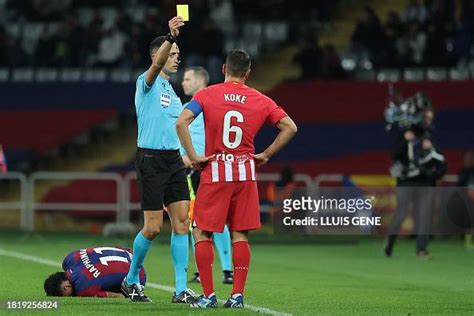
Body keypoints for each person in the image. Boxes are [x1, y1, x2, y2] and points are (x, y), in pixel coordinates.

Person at [176, 49, 298, 308]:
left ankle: (208, 296)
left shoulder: (207, 94)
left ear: (223, 69)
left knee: (202, 232)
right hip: (245, 173)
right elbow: (290, 127)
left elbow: (181, 123)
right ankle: (237, 296)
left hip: (216, 171)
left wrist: (194, 156)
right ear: (248, 73)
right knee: (240, 235)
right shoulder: (261, 99)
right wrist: (265, 154)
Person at [121, 16, 196, 304]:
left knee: (181, 223)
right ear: (158, 55)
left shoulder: (174, 95)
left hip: (173, 161)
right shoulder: (146, 82)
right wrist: (171, 37)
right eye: (173, 55)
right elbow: (155, 67)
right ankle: (130, 280)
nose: (177, 59)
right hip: (150, 159)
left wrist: (190, 156)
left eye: (178, 55)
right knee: (152, 227)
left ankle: (180, 290)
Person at [181, 66, 233, 285]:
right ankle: (204, 270)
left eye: (187, 78)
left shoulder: (213, 103)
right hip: (190, 171)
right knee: (195, 220)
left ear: (200, 81)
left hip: (210, 168)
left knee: (215, 219)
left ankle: (228, 269)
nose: (183, 82)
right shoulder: (186, 108)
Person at [385, 103, 447, 259]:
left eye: (430, 118)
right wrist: (405, 141)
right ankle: (390, 241)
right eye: (426, 118)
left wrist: (433, 175)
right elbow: (394, 155)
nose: (428, 121)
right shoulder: (406, 135)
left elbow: (441, 162)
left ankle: (422, 249)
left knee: (424, 215)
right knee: (401, 214)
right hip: (406, 182)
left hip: (424, 182)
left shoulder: (428, 138)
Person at [44, 246, 145, 298]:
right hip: (129, 253)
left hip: (138, 277)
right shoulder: (69, 258)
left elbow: (118, 296)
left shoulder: (83, 289)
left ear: (66, 287)